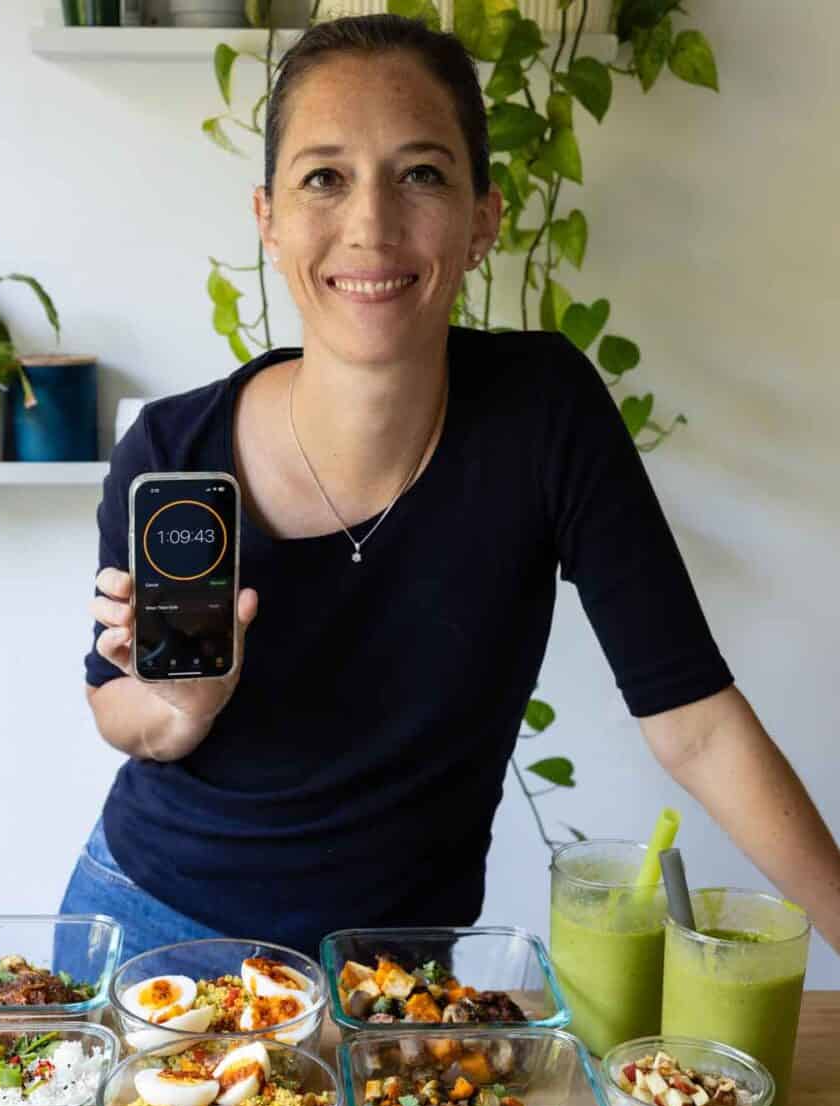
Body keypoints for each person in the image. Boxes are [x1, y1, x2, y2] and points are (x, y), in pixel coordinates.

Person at [60, 15, 840, 966]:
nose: (372, 225)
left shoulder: (544, 414)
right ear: (267, 218)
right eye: (324, 177)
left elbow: (699, 727)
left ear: (484, 219)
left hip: (394, 978)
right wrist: (186, 706)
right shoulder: (175, 454)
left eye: (421, 174)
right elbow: (119, 710)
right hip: (154, 934)